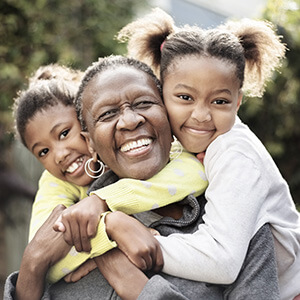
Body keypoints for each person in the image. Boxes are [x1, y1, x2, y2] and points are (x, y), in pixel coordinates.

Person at [4, 55, 280, 300]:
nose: (129, 120)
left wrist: (138, 288)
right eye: (108, 114)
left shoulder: (234, 221)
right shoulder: (73, 231)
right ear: (90, 143)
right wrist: (34, 263)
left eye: (144, 103)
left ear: (169, 116)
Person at [115, 7, 300, 300]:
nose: (201, 115)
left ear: (238, 101)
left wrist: (150, 244)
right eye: (185, 97)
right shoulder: (181, 146)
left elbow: (223, 261)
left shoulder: (235, 154)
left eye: (220, 101)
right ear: (160, 92)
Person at [11, 63, 208, 283]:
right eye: (43, 151)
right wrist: (109, 233)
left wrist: (103, 202)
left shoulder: (155, 146)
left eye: (65, 133)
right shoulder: (55, 182)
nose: (59, 155)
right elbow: (43, 251)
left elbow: (196, 173)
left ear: (87, 122)